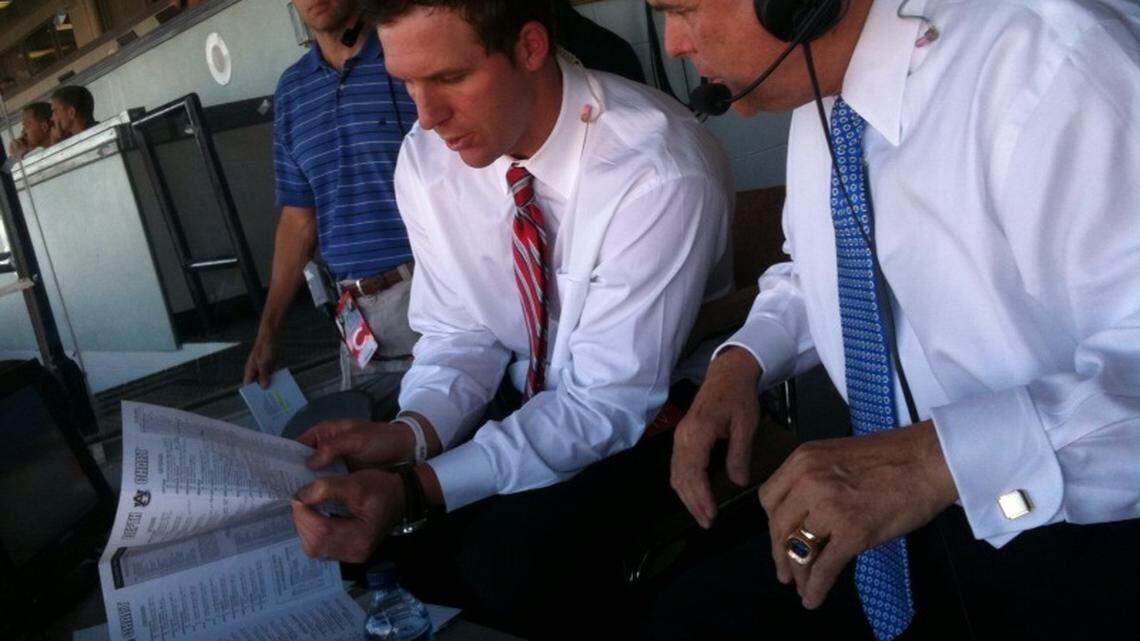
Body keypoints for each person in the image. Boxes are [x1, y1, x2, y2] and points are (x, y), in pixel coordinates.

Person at [650, 0, 1140, 640]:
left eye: (682, 9)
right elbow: (819, 264)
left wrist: (935, 463)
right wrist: (742, 362)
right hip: (896, 517)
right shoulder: (817, 85)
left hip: (1080, 531)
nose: (674, 43)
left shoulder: (1054, 70)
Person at [289, 0, 734, 637]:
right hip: (530, 396)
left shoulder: (656, 168)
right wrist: (411, 434)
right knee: (377, 546)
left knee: (507, 564)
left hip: (659, 416)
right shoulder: (427, 159)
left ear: (529, 48)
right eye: (407, 83)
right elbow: (457, 331)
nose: (427, 116)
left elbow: (606, 402)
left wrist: (417, 489)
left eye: (448, 78)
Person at [244, 0, 420, 407]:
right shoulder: (292, 91)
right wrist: (269, 330)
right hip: (356, 318)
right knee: (364, 451)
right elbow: (298, 219)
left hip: (433, 291)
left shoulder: (406, 53)